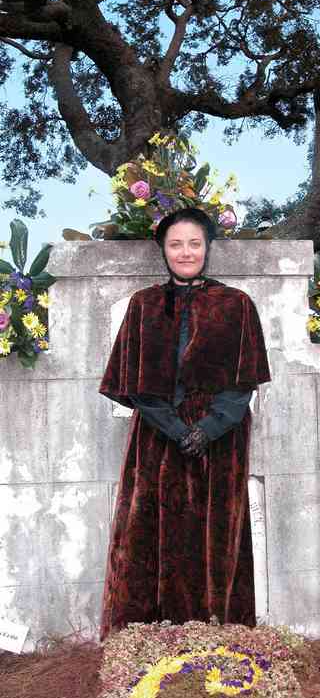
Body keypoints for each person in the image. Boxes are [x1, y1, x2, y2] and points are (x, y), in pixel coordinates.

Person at [98, 207, 271, 639]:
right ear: (163, 250)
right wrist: (177, 431)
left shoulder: (236, 305)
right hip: (156, 437)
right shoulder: (143, 305)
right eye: (176, 244)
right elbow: (135, 383)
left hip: (221, 441)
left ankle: (216, 634)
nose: (185, 252)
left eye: (194, 243)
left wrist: (207, 429)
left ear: (208, 247)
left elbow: (243, 382)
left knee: (214, 538)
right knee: (148, 535)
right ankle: (147, 639)